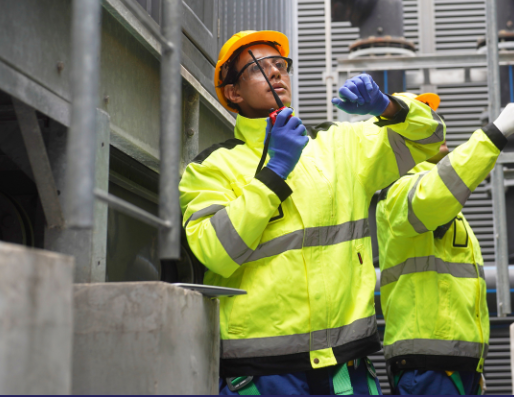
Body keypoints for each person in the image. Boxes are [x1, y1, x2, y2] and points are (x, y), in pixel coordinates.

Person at [178, 30, 445, 395]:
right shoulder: (211, 168)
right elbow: (216, 252)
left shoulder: (339, 146)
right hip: (263, 374)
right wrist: (273, 173)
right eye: (258, 68)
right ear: (234, 93)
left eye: (280, 64)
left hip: (345, 368)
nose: (276, 73)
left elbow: (428, 138)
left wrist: (388, 107)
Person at [375, 95, 514, 395]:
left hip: (453, 367)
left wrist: (470, 365)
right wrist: (496, 133)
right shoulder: (398, 193)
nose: (437, 127)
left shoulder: (437, 198)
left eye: (435, 119)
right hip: (428, 369)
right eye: (423, 121)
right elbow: (438, 190)